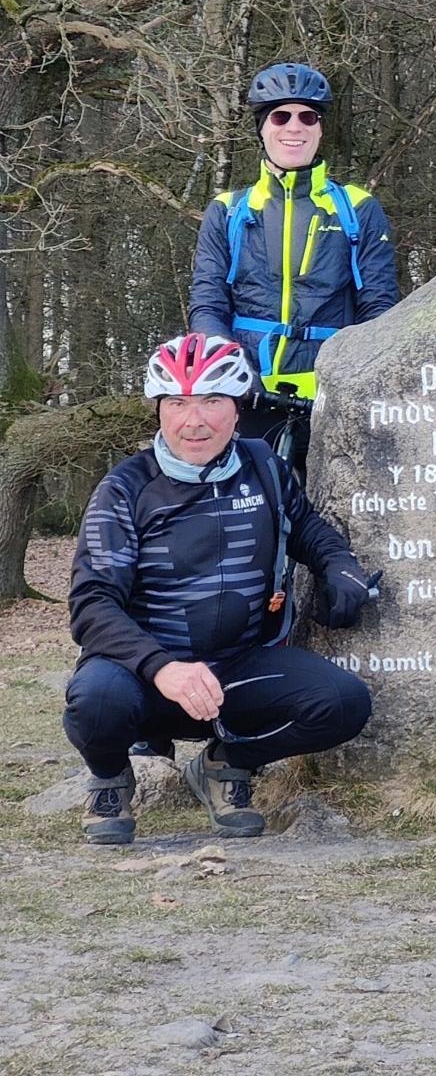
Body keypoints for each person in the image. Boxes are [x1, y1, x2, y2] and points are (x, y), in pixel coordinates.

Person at [65, 334, 379, 844]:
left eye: (212, 401)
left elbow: (308, 529)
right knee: (95, 700)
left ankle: (224, 766)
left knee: (343, 703)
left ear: (236, 409)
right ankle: (109, 780)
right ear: (160, 410)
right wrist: (162, 668)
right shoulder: (125, 488)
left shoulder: (264, 467)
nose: (195, 420)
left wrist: (340, 566)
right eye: (178, 403)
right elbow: (92, 606)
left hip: (237, 668)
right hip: (145, 677)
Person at [189, 63, 399, 463]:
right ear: (262, 128)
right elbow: (208, 303)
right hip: (247, 394)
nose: (294, 127)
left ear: (320, 129)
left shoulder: (357, 208)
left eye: (308, 117)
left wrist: (354, 377)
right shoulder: (228, 211)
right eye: (280, 116)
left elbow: (379, 308)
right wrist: (230, 368)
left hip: (332, 395)